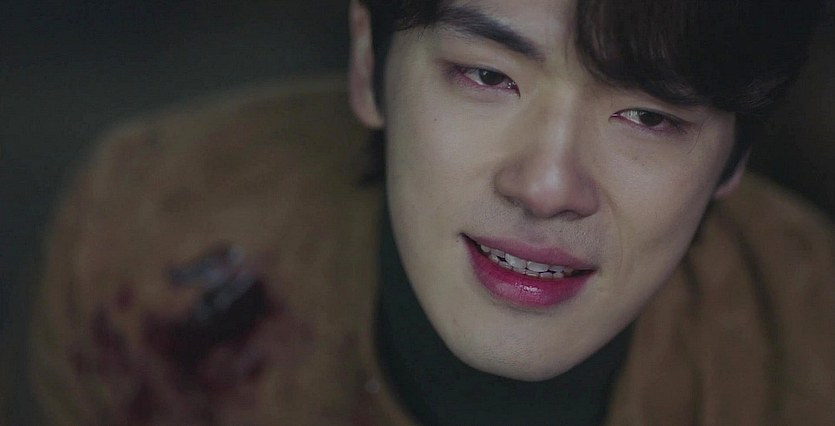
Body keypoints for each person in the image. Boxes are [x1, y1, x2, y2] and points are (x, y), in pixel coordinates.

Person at [26, 0, 834, 424]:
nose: (546, 185)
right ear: (368, 64)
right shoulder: (140, 236)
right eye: (485, 76)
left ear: (733, 157)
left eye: (649, 117)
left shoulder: (808, 353)